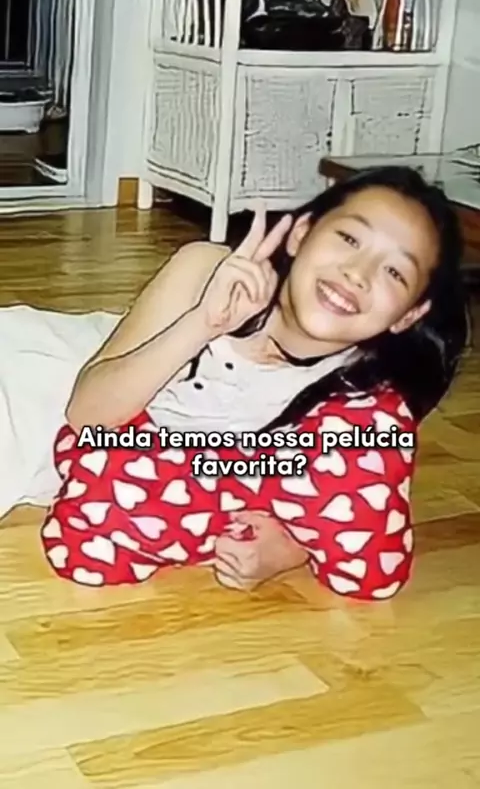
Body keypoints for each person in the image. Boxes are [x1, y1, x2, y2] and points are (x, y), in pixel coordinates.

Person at [40, 166, 469, 598]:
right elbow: (87, 417)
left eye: (395, 273)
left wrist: (293, 548)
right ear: (301, 233)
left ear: (409, 315)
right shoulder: (206, 271)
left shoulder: (369, 405)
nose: (359, 273)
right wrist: (202, 324)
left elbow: (368, 558)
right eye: (349, 239)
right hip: (135, 421)